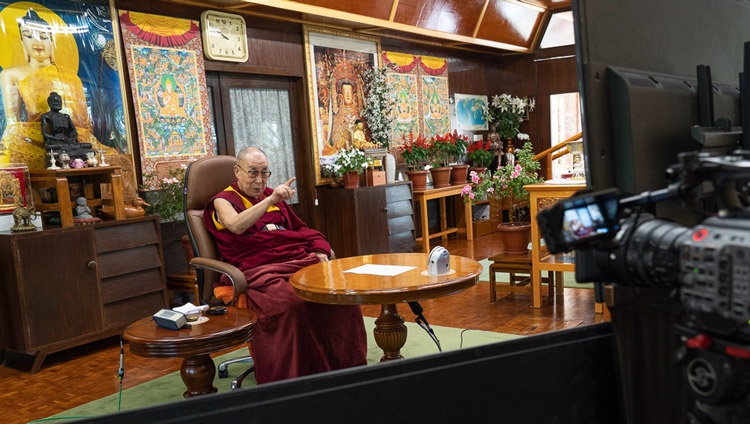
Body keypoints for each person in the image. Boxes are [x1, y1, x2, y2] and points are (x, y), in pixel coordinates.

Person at [204, 147, 367, 383]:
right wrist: (270, 199)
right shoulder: (222, 201)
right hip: (259, 270)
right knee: (292, 304)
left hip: (296, 262)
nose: (259, 180)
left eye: (264, 173)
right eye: (252, 173)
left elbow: (300, 230)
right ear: (237, 171)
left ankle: (344, 368)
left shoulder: (274, 198)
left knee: (341, 297)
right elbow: (236, 226)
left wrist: (320, 249)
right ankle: (295, 378)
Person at [0, 8, 114, 169]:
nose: (37, 42)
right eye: (29, 36)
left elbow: (82, 125)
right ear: (22, 42)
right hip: (34, 139)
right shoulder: (10, 74)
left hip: (74, 141)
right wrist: (47, 138)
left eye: (44, 37)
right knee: (12, 149)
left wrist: (72, 138)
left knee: (110, 156)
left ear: (52, 41)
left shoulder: (71, 76)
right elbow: (13, 123)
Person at [41, 92, 92, 163]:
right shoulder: (46, 116)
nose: (58, 103)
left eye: (60, 101)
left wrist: (71, 138)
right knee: (51, 147)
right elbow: (45, 134)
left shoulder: (66, 116)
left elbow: (74, 132)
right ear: (49, 103)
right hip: (56, 141)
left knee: (88, 145)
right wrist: (56, 138)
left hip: (68, 142)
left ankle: (75, 156)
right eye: (55, 101)